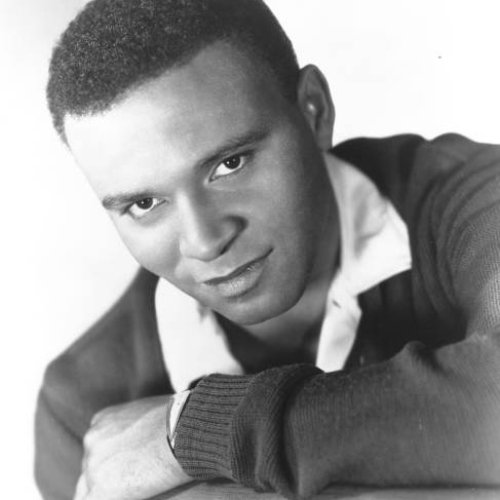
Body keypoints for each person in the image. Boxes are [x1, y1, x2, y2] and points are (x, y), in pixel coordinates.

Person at [34, 0, 500, 499]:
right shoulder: (82, 406)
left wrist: (193, 431)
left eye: (230, 164)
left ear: (314, 111)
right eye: (144, 204)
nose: (205, 240)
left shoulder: (475, 201)